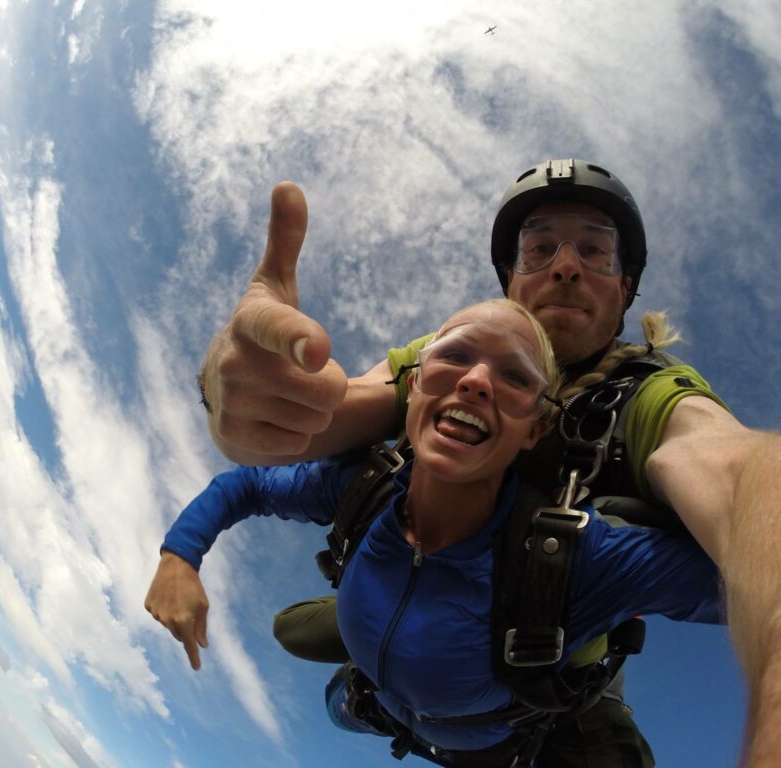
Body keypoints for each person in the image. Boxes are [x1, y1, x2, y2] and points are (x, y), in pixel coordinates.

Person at [194, 160, 781, 765]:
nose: (566, 265)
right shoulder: (452, 356)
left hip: (545, 657)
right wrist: (244, 394)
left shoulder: (646, 392)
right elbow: (328, 411)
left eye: (595, 251)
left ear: (625, 285)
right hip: (424, 577)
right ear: (509, 278)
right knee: (306, 636)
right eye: (540, 248)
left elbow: (731, 467)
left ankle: (397, 659)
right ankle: (380, 661)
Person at [147, 299, 722, 766]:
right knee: (289, 632)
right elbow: (248, 483)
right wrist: (180, 554)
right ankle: (363, 689)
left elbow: (747, 581)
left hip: (488, 744)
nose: (475, 381)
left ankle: (361, 697)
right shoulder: (362, 488)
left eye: (514, 376)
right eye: (455, 356)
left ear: (534, 430)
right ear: (415, 385)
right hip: (384, 678)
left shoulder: (574, 558)